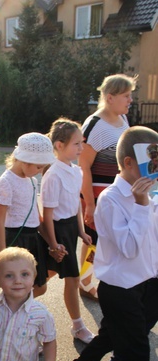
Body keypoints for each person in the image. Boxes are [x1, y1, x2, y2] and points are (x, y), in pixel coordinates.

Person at [61, 126, 158, 361]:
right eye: (151, 159)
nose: (156, 166)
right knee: (138, 350)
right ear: (129, 163)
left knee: (114, 335)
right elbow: (129, 249)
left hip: (149, 281)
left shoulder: (152, 192)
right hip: (120, 286)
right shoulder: (111, 201)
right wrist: (143, 203)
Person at [79, 73, 137, 302]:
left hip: (119, 192)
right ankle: (85, 283)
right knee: (92, 242)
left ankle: (107, 281)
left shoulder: (123, 120)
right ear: (110, 97)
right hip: (97, 194)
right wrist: (89, 205)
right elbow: (83, 166)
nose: (130, 100)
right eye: (126, 95)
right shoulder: (95, 124)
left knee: (113, 240)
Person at [41, 118, 95, 344]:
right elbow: (48, 215)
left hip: (71, 229)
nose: (81, 149)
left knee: (47, 277)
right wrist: (53, 244)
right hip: (57, 231)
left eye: (82, 143)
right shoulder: (53, 174)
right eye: (76, 144)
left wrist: (81, 232)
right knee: (71, 279)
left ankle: (16, 300)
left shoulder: (76, 171)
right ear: (59, 145)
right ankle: (78, 326)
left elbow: (75, 205)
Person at [0, 132, 55, 297]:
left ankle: (19, 311)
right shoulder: (6, 182)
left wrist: (52, 243)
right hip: (16, 239)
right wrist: (2, 254)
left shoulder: (32, 181)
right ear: (24, 160)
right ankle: (13, 315)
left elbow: (36, 216)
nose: (40, 171)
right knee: (18, 288)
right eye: (38, 167)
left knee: (39, 286)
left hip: (33, 238)